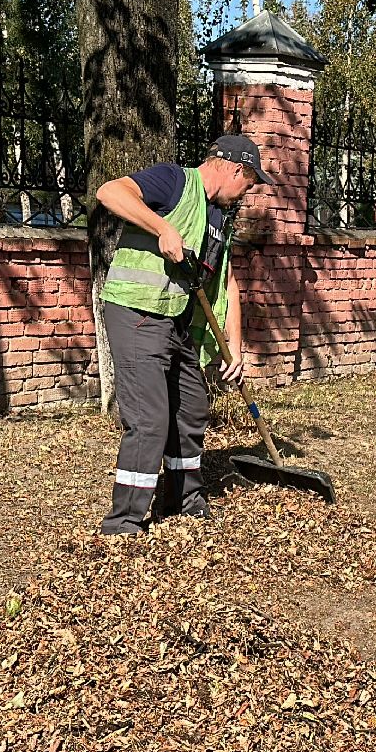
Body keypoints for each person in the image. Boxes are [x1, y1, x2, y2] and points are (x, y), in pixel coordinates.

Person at [92, 135, 267, 535]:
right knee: (150, 420)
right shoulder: (172, 182)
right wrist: (161, 227)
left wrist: (234, 345)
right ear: (234, 168)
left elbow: (227, 281)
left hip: (178, 324)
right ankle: (123, 522)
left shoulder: (221, 217)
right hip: (138, 313)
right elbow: (109, 192)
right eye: (251, 181)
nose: (249, 190)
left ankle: (184, 499)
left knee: (190, 409)